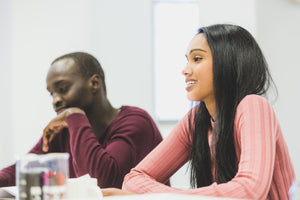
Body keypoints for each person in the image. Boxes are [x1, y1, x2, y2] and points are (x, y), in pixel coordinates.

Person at [102, 24, 295, 199]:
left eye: (197, 59)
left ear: (228, 63)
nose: (185, 70)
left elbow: (249, 190)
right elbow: (134, 178)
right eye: (188, 60)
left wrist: (175, 196)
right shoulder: (196, 120)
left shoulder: (253, 105)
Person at [0, 52, 165, 188]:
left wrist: (74, 115)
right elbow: (23, 170)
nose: (55, 100)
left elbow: (99, 183)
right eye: (51, 93)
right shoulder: (65, 130)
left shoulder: (136, 122)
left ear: (94, 83)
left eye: (62, 89)